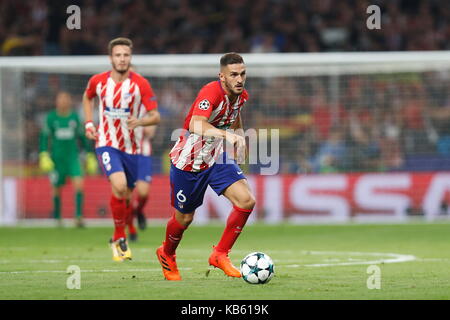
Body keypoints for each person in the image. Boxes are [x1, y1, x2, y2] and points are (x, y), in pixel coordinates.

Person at [156, 52, 255, 281]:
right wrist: (227, 136)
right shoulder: (210, 92)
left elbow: (235, 116)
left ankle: (220, 254)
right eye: (233, 75)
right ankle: (167, 253)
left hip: (216, 158)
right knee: (185, 219)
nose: (239, 79)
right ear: (222, 76)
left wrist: (239, 137)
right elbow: (195, 124)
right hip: (188, 162)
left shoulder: (241, 96)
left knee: (246, 201)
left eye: (242, 74)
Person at [82, 37, 160, 262]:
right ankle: (119, 236)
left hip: (132, 148)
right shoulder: (98, 81)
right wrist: (89, 124)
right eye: (118, 55)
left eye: (126, 55)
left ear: (130, 57)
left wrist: (141, 122)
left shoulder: (141, 84)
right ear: (111, 58)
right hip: (107, 143)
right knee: (119, 185)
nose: (122, 59)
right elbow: (87, 98)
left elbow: (155, 115)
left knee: (126, 195)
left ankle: (121, 233)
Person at [39, 91, 97, 228]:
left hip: (73, 158)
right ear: (56, 101)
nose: (63, 101)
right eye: (61, 99)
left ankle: (78, 217)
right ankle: (58, 217)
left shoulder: (74, 117)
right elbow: (44, 137)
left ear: (69, 101)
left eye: (66, 99)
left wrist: (89, 154)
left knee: (79, 185)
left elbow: (82, 137)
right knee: (56, 189)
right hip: (57, 160)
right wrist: (43, 154)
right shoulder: (51, 118)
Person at [127, 124, 157, 242]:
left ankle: (138, 211)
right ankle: (131, 230)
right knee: (126, 195)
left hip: (143, 155)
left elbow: (150, 132)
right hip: (126, 153)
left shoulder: (148, 109)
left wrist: (136, 125)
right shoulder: (121, 107)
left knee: (143, 193)